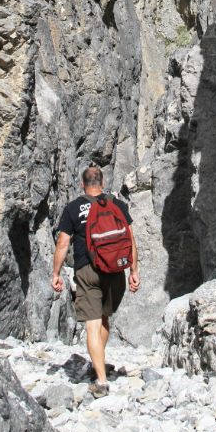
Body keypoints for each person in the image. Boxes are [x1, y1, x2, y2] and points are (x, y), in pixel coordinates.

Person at [52, 166, 140, 397]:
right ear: (102, 182)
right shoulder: (118, 205)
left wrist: (56, 273)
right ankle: (99, 363)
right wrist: (134, 272)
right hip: (114, 269)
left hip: (87, 268)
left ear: (82, 184)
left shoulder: (73, 208)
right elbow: (130, 240)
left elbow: (62, 244)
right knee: (103, 317)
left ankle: (100, 380)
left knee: (92, 323)